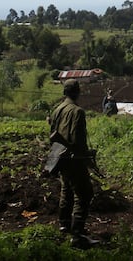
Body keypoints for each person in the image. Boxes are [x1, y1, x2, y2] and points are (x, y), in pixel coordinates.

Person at [48, 80, 99, 248]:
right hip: (73, 158)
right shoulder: (78, 111)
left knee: (67, 189)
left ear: (65, 92)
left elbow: (52, 135)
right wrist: (85, 157)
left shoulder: (57, 110)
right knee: (84, 193)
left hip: (60, 157)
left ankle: (64, 224)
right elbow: (79, 140)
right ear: (77, 92)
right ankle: (78, 236)